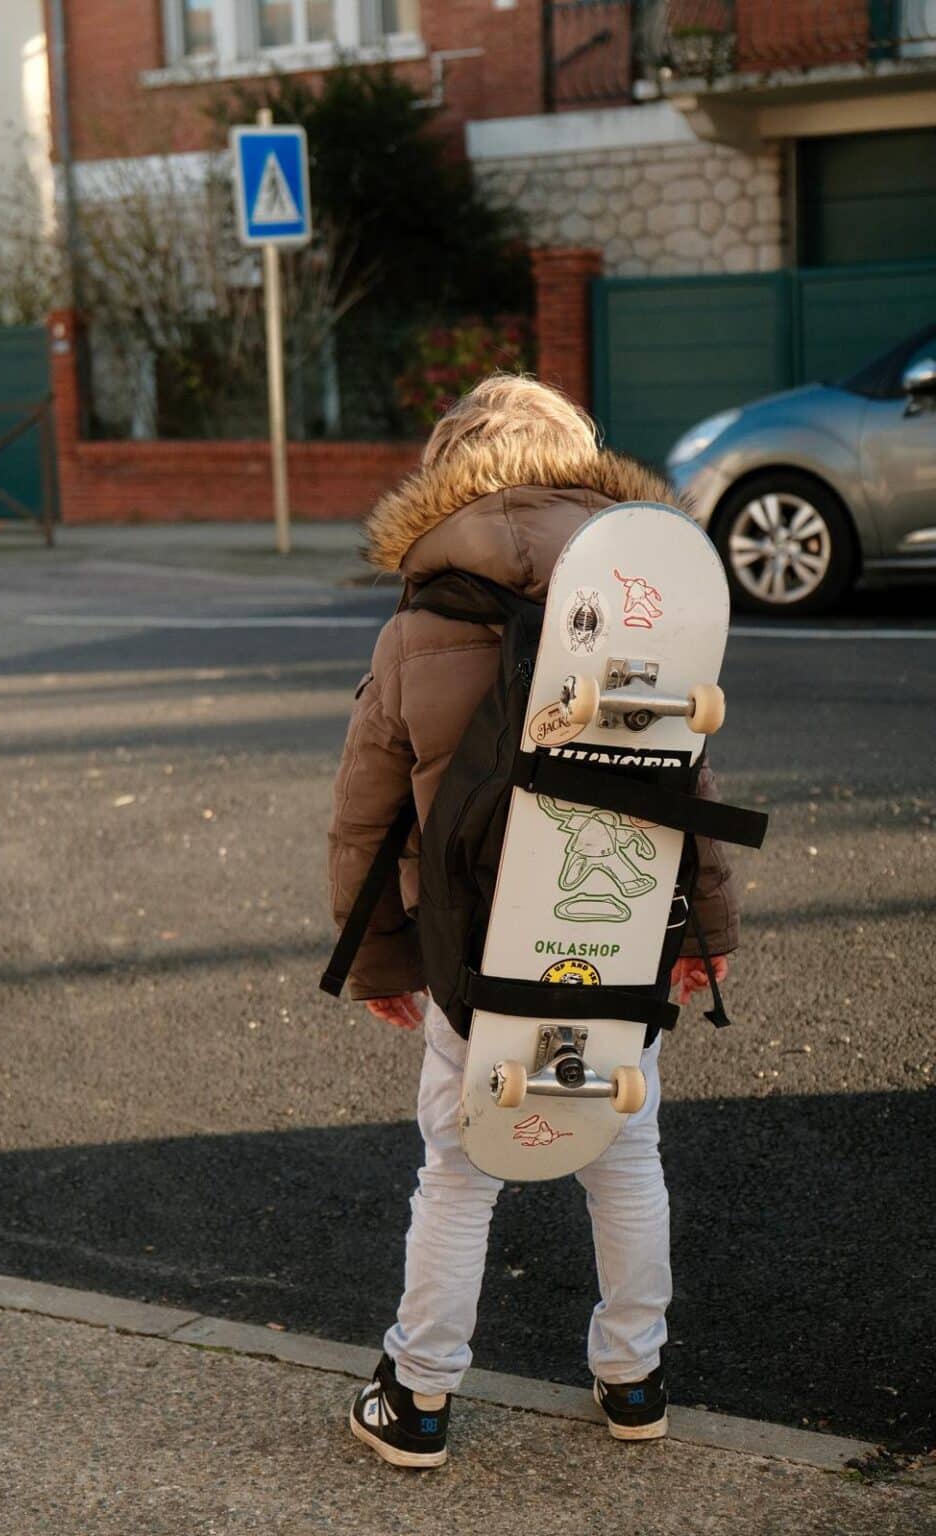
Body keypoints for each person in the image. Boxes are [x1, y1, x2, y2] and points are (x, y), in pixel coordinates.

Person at [327, 374, 736, 1469]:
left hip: (473, 958)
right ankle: (634, 1376)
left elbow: (364, 817)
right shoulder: (641, 608)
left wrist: (377, 959)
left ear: (448, 479)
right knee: (624, 1153)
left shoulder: (415, 627)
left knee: (458, 1173)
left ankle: (416, 1398)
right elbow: (680, 780)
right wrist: (707, 933)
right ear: (577, 471)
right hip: (615, 938)